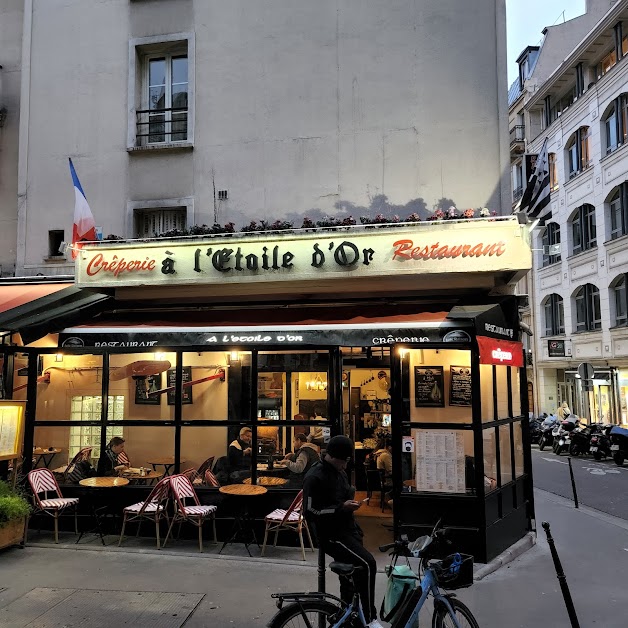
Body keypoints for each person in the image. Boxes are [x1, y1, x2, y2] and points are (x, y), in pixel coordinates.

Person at [303, 435, 381, 627]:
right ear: (334, 456)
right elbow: (310, 511)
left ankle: (348, 619)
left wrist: (350, 501)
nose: (346, 466)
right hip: (331, 534)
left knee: (351, 581)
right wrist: (341, 508)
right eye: (344, 461)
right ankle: (371, 619)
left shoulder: (340, 472)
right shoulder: (315, 476)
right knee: (369, 563)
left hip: (348, 529)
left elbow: (343, 493)